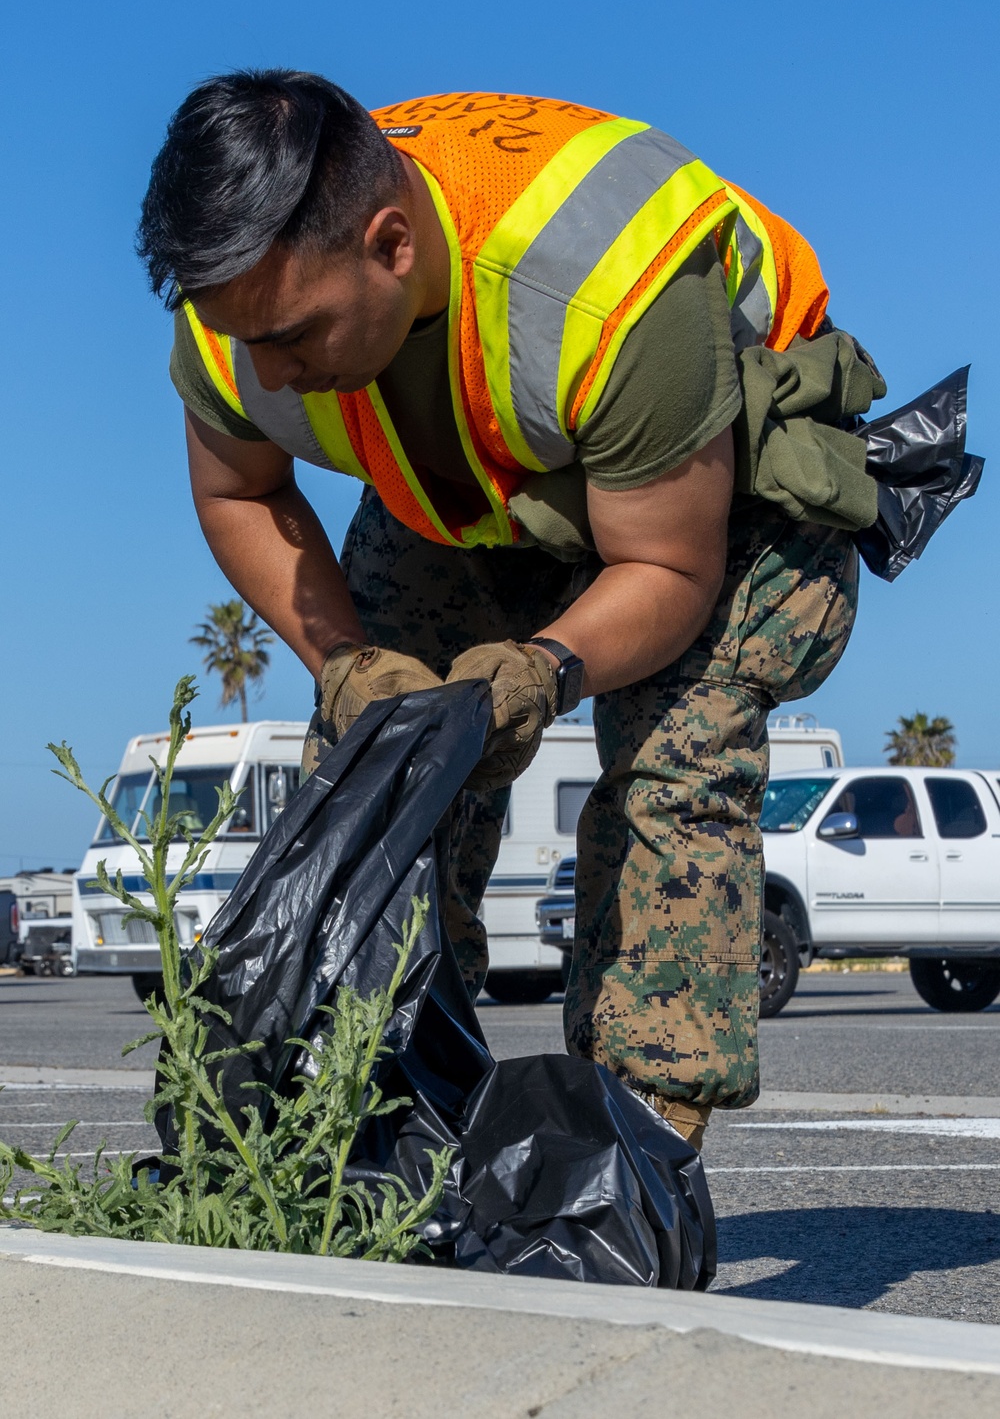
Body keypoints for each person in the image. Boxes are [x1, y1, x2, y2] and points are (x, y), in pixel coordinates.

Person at [138, 72, 887, 1149]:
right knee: (375, 762)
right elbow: (240, 491)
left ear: (392, 246)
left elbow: (667, 571)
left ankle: (635, 1155)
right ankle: (368, 1116)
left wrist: (541, 670)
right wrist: (346, 662)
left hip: (705, 480)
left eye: (294, 337)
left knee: (677, 763)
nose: (270, 374)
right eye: (244, 338)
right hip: (485, 479)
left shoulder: (608, 294)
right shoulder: (240, 313)